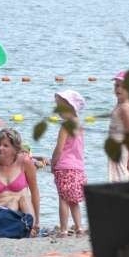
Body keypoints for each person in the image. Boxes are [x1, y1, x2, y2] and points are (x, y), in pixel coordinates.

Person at [0, 128, 40, 235]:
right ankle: (20, 228)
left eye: (5, 145)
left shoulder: (25, 162)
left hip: (23, 211)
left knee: (24, 198)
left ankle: (31, 226)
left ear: (15, 149)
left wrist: (38, 221)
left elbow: (35, 192)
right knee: (13, 202)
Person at [51, 89, 87, 236]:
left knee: (63, 199)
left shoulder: (65, 126)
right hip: (78, 167)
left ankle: (64, 229)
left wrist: (53, 162)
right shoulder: (79, 125)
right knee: (73, 200)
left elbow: (59, 149)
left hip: (64, 166)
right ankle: (79, 227)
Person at [107, 70, 129, 182]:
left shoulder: (125, 107)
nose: (118, 89)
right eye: (116, 86)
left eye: (122, 86)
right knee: (115, 179)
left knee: (119, 179)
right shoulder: (120, 103)